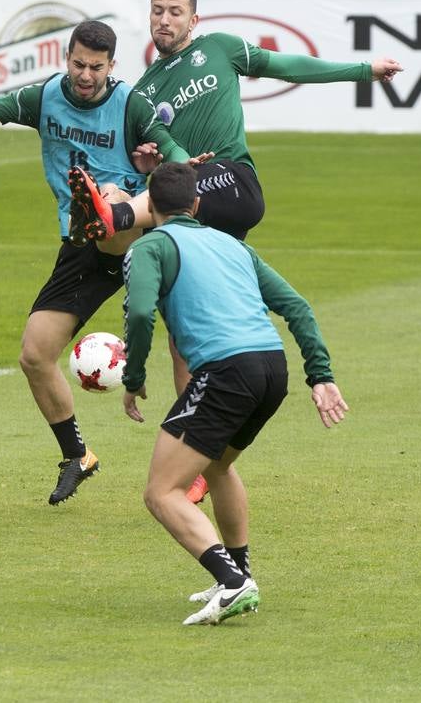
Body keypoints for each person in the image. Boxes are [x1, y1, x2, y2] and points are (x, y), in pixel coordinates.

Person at [68, 0, 398, 502]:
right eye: (157, 10)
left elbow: (286, 64)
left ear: (194, 19)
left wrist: (361, 69)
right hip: (189, 213)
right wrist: (145, 161)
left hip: (231, 182)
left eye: (176, 11)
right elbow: (150, 160)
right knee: (182, 337)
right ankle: (197, 453)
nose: (165, 19)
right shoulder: (145, 89)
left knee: (126, 210)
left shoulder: (218, 49)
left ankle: (114, 221)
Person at [0, 20, 200, 506]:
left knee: (183, 342)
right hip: (80, 244)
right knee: (35, 354)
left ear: (113, 66)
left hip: (137, 233)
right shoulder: (44, 98)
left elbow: (169, 149)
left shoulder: (130, 103)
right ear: (66, 58)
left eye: (96, 67)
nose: (86, 75)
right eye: (78, 64)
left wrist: (184, 165)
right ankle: (78, 456)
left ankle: (106, 208)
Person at [120, 161, 349, 625]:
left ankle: (233, 583)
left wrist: (134, 376)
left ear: (149, 204)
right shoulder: (231, 244)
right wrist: (320, 375)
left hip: (225, 372)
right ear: (198, 203)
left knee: (163, 492)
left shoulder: (148, 247)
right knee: (219, 465)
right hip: (272, 368)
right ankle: (238, 571)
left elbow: (142, 312)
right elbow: (297, 308)